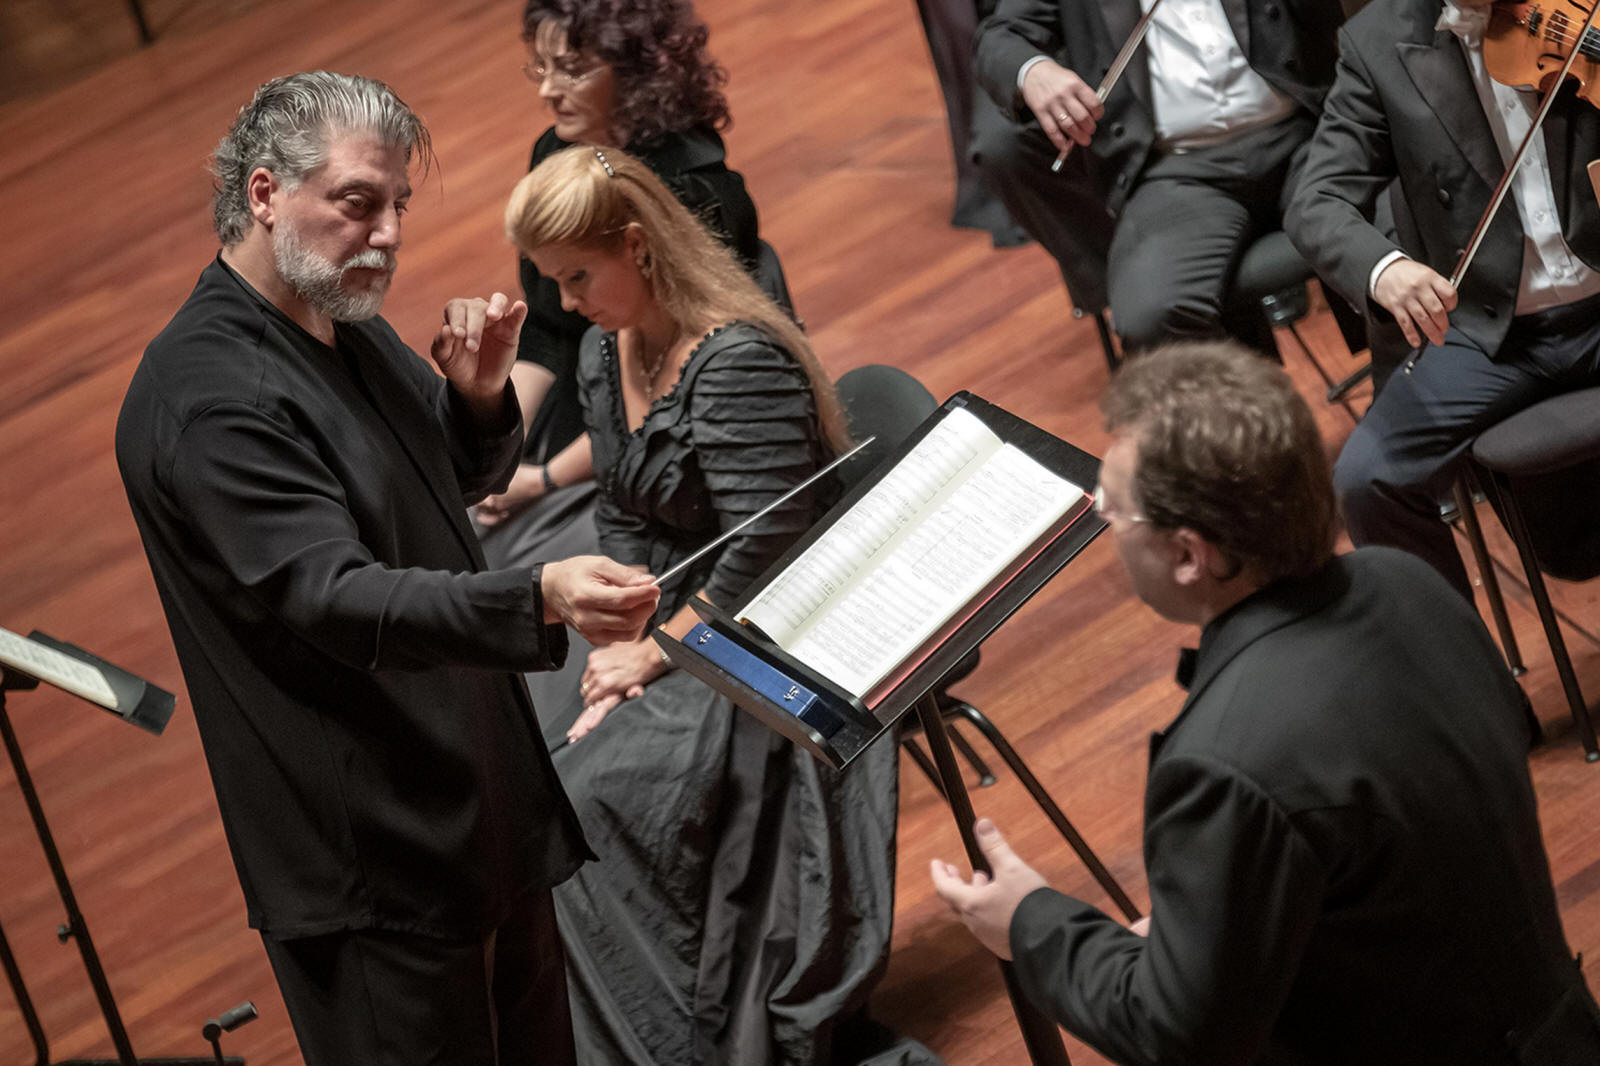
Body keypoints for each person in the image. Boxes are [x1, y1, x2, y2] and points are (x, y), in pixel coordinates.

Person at [114, 72, 660, 1066]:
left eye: (399, 204)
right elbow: (332, 595)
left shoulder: (338, 321)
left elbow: (446, 478)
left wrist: (481, 398)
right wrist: (531, 593)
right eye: (360, 201)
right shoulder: (212, 399)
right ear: (267, 192)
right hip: (373, 859)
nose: (390, 232)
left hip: (471, 803)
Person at [930, 341, 1600, 1064]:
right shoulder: (1408, 583)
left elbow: (1178, 1036)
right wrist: (1225, 908)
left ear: (1191, 556)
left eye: (1115, 513)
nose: (1103, 520)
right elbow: (1391, 859)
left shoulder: (1224, 763)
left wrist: (1028, 921)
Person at [504, 145, 938, 1065]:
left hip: (771, 637)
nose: (569, 302)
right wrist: (622, 630)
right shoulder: (602, 348)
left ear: (636, 245)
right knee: (517, 759)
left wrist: (656, 657)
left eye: (579, 276)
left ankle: (673, 1039)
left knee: (581, 806)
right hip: (675, 618)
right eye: (555, 282)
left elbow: (768, 548)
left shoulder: (736, 361)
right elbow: (621, 507)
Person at [476, 0, 765, 728]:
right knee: (472, 541)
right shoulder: (556, 157)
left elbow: (665, 408)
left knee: (533, 578)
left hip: (677, 450)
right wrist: (490, 449)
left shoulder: (693, 187)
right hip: (599, 409)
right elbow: (548, 332)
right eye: (539, 68)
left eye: (572, 69)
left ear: (635, 72)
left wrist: (540, 479)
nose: (547, 90)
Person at [1285, 0, 1600, 600]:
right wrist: (1385, 268)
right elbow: (1316, 199)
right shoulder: (1377, 42)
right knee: (1368, 480)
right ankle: (1461, 679)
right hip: (1492, 333)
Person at [972, 0, 1345, 352]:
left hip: (1307, 133)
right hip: (1180, 170)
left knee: (1389, 229)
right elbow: (999, 36)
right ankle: (1248, 418)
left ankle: (1397, 408)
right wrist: (1033, 70)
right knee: (1149, 316)